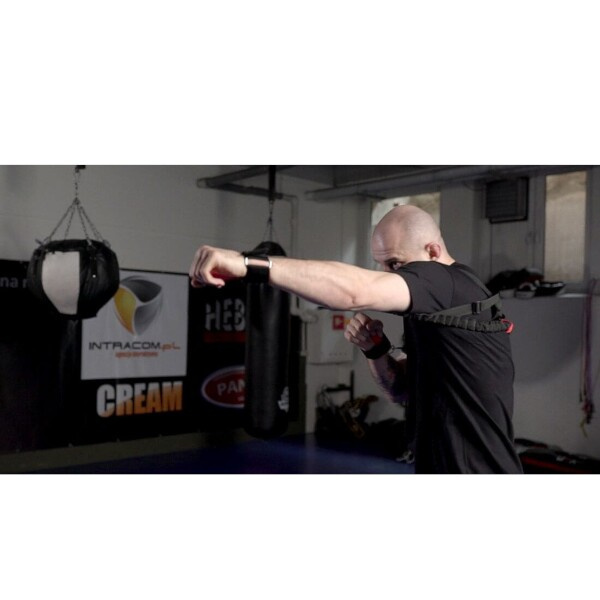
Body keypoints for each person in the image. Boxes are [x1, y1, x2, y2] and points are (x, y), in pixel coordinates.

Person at [189, 205, 523, 474]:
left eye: (395, 263)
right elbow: (401, 390)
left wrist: (248, 264)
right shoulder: (438, 304)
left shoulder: (445, 281)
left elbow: (355, 292)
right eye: (383, 265)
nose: (391, 275)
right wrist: (375, 350)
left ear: (433, 251)